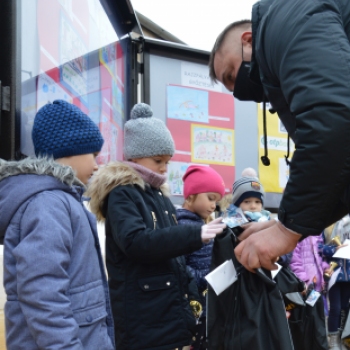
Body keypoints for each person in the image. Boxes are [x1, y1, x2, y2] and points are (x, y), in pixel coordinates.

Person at [209, 2, 350, 272]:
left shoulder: (285, 20)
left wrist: (287, 230)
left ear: (248, 41)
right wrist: (287, 221)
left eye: (231, 74)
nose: (237, 90)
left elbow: (333, 121)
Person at [86, 103, 226, 350]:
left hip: (166, 315)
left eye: (167, 162)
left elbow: (177, 261)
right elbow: (136, 242)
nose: (163, 168)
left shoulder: (159, 196)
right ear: (134, 156)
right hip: (143, 320)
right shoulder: (122, 193)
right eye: (158, 160)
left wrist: (192, 300)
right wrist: (195, 234)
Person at [0, 100, 115, 349]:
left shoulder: (62, 200)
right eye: (93, 154)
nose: (97, 165)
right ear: (68, 152)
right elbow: (43, 294)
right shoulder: (48, 204)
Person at [176, 165, 226, 350]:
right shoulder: (182, 226)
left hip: (207, 301)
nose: (214, 205)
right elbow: (179, 265)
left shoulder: (201, 224)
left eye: (217, 201)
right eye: (210, 198)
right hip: (193, 303)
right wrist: (204, 279)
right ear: (191, 195)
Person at [322, 215, 350, 349]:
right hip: (334, 272)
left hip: (348, 275)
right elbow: (318, 247)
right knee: (336, 308)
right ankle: (333, 340)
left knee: (345, 308)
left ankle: (341, 337)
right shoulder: (329, 223)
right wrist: (334, 250)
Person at [289, 234, 329, 314]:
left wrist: (325, 267)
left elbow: (319, 256)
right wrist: (304, 279)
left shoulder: (318, 234)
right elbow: (294, 260)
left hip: (317, 285)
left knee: (317, 315)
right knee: (307, 313)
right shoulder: (298, 233)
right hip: (307, 285)